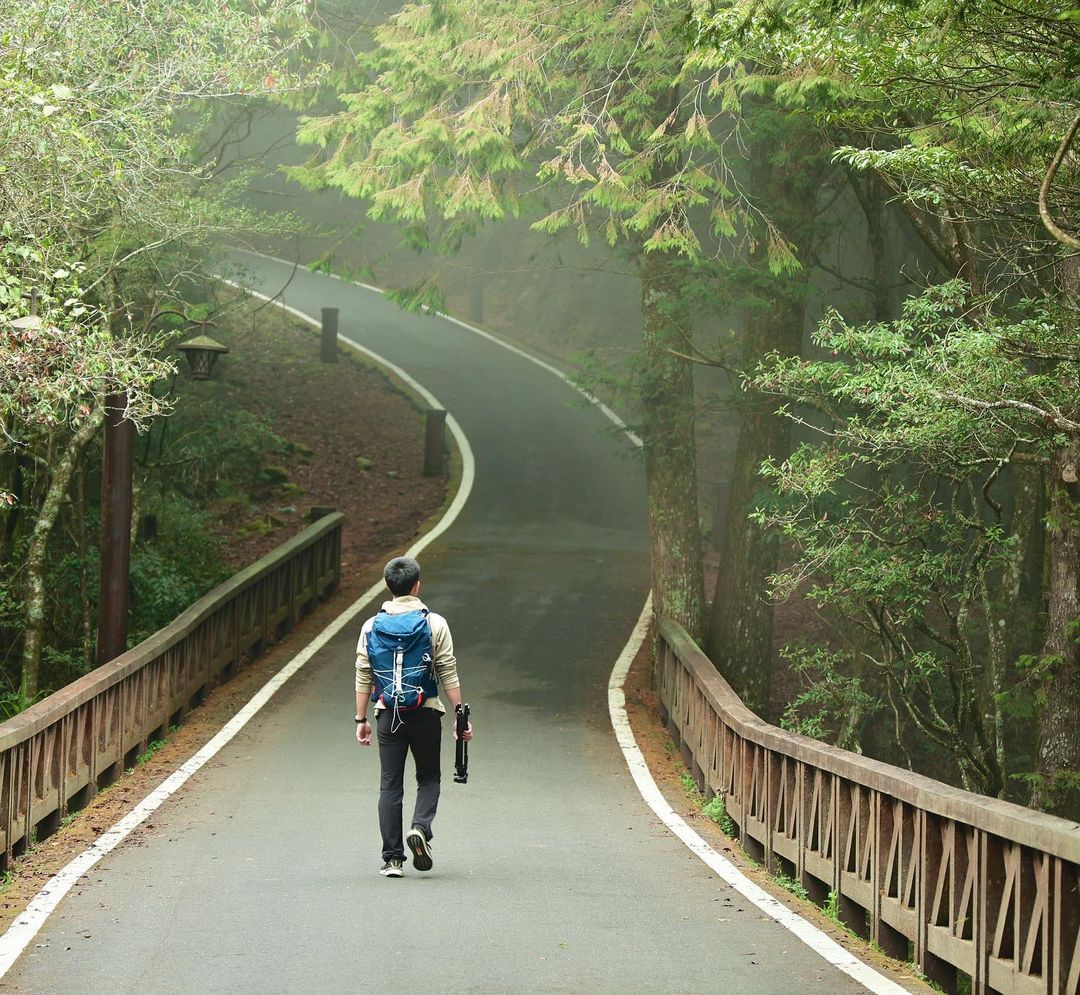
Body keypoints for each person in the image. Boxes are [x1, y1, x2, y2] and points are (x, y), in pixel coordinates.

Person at [354, 556, 473, 877]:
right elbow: (447, 669)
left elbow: (363, 673)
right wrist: (461, 716)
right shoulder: (435, 623)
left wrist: (360, 719)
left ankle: (392, 859)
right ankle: (420, 828)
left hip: (387, 713)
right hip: (425, 713)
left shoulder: (370, 626)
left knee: (389, 785)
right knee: (429, 778)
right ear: (417, 585)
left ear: (387, 585)